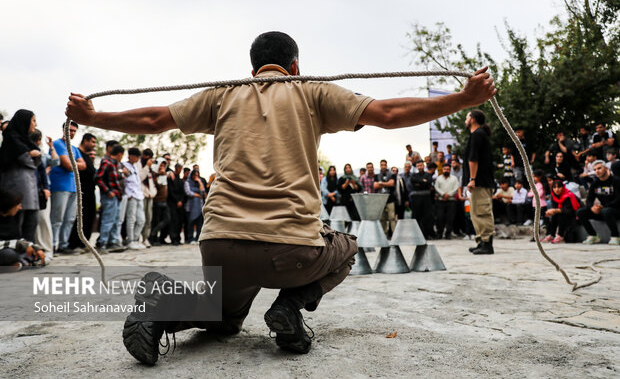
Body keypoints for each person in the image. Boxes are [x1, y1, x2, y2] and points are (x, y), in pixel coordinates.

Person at [66, 30, 496, 364]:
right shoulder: (312, 90)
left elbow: (154, 118)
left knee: (223, 319)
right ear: (295, 64)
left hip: (220, 245)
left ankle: (160, 308)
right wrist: (463, 99)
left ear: (253, 69)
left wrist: (93, 116)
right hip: (293, 250)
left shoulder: (223, 94)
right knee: (347, 245)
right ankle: (289, 308)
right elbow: (387, 114)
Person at [0, 110, 41, 243]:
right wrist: (30, 155)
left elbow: (36, 160)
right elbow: (26, 161)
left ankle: (28, 256)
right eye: (33, 120)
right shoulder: (11, 139)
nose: (35, 124)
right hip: (16, 191)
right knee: (16, 227)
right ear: (25, 121)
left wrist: (32, 154)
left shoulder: (25, 140)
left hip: (30, 192)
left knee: (31, 225)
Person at [49, 122, 86, 254]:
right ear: (63, 129)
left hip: (73, 187)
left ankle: (64, 244)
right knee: (57, 218)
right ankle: (53, 245)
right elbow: (68, 166)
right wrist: (73, 163)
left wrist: (71, 162)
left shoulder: (74, 149)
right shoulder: (57, 144)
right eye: (69, 130)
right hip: (59, 186)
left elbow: (84, 165)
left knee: (70, 219)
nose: (71, 133)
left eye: (74, 131)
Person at [462, 109, 495, 254]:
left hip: (480, 181)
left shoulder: (477, 135)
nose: (465, 120)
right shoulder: (478, 135)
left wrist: (472, 179)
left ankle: (487, 243)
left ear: (473, 119)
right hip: (479, 181)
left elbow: (473, 159)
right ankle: (481, 241)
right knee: (476, 212)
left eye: (467, 117)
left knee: (482, 212)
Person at [0, 189, 46, 270]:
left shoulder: (13, 218)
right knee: (9, 254)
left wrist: (34, 247)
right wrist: (20, 244)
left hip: (11, 248)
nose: (20, 207)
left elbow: (17, 239)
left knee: (33, 252)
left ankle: (20, 264)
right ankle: (23, 263)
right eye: (17, 204)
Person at [31, 129, 59, 257]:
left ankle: (47, 249)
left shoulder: (42, 155)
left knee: (43, 219)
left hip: (42, 191)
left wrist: (51, 147)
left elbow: (55, 162)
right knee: (32, 221)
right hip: (29, 190)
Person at [577, 160, 620, 245]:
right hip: (603, 210)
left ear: (606, 168)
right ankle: (593, 236)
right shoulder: (595, 183)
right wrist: (592, 208)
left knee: (606, 211)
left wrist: (603, 207)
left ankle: (616, 236)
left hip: (616, 210)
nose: (597, 171)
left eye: (599, 168)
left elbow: (619, 199)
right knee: (580, 212)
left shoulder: (616, 181)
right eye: (595, 169)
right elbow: (589, 199)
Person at [68, 132, 97, 250]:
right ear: (85, 140)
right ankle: (74, 243)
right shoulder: (76, 153)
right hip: (80, 191)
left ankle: (84, 243)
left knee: (90, 217)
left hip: (91, 191)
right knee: (79, 217)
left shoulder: (87, 156)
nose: (94, 145)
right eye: (93, 142)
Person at [96, 144, 126, 252]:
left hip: (117, 196)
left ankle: (113, 242)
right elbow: (98, 178)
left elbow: (116, 179)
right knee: (108, 219)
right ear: (119, 154)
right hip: (109, 196)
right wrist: (108, 191)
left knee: (116, 219)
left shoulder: (117, 165)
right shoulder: (106, 162)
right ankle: (102, 243)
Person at [123, 148, 146, 250]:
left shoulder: (136, 166)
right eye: (136, 156)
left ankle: (136, 239)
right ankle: (130, 240)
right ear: (131, 156)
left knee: (141, 220)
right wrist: (129, 195)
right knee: (131, 218)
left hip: (139, 195)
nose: (137, 159)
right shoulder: (124, 165)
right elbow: (124, 182)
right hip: (131, 195)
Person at [434, 163, 459, 239]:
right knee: (440, 217)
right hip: (441, 201)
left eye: (448, 169)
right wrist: (443, 194)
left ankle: (448, 234)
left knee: (450, 218)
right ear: (442, 170)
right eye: (445, 169)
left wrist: (448, 195)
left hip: (451, 200)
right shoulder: (439, 178)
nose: (446, 170)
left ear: (450, 170)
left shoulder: (454, 178)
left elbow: (456, 188)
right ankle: (439, 233)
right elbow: (436, 187)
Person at [410, 160, 434, 239]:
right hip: (417, 198)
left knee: (427, 216)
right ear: (417, 167)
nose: (420, 167)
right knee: (417, 216)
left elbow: (428, 182)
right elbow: (413, 182)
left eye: (421, 165)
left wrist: (420, 183)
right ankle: (416, 235)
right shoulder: (414, 175)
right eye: (418, 166)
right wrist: (423, 181)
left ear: (424, 166)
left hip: (426, 198)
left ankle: (426, 234)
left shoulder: (428, 175)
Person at [374, 159, 396, 236]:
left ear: (386, 166)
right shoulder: (377, 175)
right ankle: (384, 234)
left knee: (392, 217)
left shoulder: (392, 174)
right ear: (380, 166)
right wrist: (386, 183)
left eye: (384, 165)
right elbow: (375, 186)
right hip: (381, 199)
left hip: (390, 198)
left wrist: (381, 183)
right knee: (382, 218)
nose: (383, 166)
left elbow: (392, 184)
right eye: (382, 165)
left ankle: (394, 234)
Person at [139, 148, 156, 245]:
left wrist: (153, 193)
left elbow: (151, 183)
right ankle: (139, 238)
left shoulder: (149, 169)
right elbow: (140, 178)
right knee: (141, 218)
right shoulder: (139, 165)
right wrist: (146, 166)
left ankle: (145, 238)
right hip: (141, 195)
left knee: (149, 218)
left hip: (150, 196)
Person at [184, 169, 205, 244]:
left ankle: (198, 238)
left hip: (199, 206)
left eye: (197, 175)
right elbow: (188, 192)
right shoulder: (187, 182)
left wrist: (199, 182)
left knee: (199, 224)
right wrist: (197, 195)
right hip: (190, 206)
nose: (196, 177)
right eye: (194, 175)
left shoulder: (199, 182)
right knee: (191, 223)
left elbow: (202, 192)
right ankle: (191, 238)